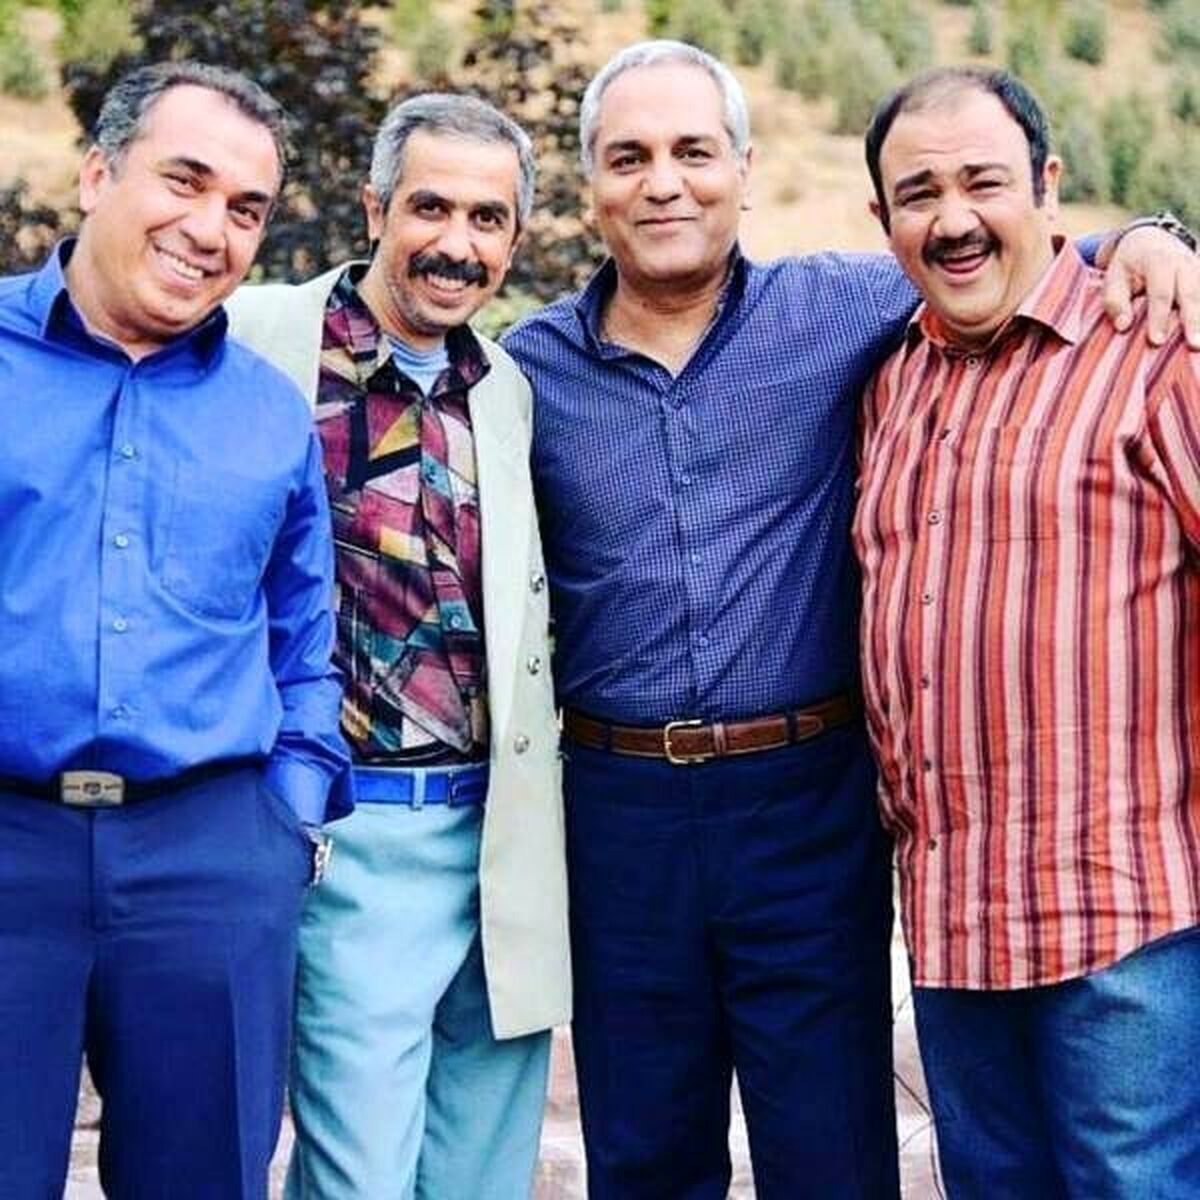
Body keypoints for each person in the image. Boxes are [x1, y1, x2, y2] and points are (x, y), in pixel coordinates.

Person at [502, 39, 1200, 1199]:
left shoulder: (839, 309)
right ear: (593, 187)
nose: (665, 182)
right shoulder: (524, 373)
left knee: (834, 1159)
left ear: (745, 169)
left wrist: (1148, 237)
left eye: (694, 152)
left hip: (809, 806)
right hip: (618, 810)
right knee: (643, 1156)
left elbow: (1002, 250)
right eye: (630, 157)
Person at [0, 62, 350, 1198]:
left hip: (212, 864)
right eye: (184, 181)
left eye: (246, 208)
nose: (210, 230)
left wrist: (287, 824)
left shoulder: (268, 413)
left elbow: (303, 639)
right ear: (97, 174)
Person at [855, 65, 1200, 1197]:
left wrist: (1154, 234)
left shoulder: (1159, 349)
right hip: (954, 931)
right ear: (883, 220)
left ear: (1047, 184)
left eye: (984, 182)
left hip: (1129, 927)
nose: (953, 219)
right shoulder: (889, 382)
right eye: (919, 194)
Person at [226, 93, 569, 1200]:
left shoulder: (508, 390)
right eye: (430, 207)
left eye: (487, 219)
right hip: (352, 834)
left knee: (483, 1175)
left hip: (505, 841)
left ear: (514, 237)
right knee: (358, 1177)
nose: (456, 244)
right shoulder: (256, 340)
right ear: (376, 208)